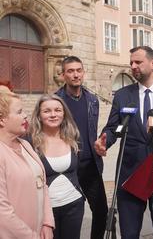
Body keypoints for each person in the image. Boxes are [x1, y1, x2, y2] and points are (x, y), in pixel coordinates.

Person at [94, 46, 153, 239]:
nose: (133, 66)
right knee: (129, 233)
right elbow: (113, 127)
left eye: (138, 62)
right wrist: (104, 141)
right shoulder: (124, 95)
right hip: (131, 173)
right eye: (131, 63)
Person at [56, 56, 108, 239]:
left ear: (83, 73)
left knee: (102, 212)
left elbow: (92, 130)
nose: (75, 75)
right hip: (67, 168)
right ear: (63, 75)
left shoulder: (92, 100)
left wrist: (100, 145)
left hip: (91, 166)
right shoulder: (56, 101)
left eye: (78, 70)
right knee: (70, 217)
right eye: (70, 71)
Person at [0, 86, 54, 238]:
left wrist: (47, 223)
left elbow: (42, 185)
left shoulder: (26, 144)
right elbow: (3, 214)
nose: (25, 116)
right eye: (19, 112)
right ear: (2, 119)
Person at [29, 94, 84, 239]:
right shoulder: (30, 142)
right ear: (39, 115)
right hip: (44, 210)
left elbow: (81, 169)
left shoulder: (73, 137)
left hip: (74, 204)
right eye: (47, 111)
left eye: (58, 110)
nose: (53, 115)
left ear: (64, 113)